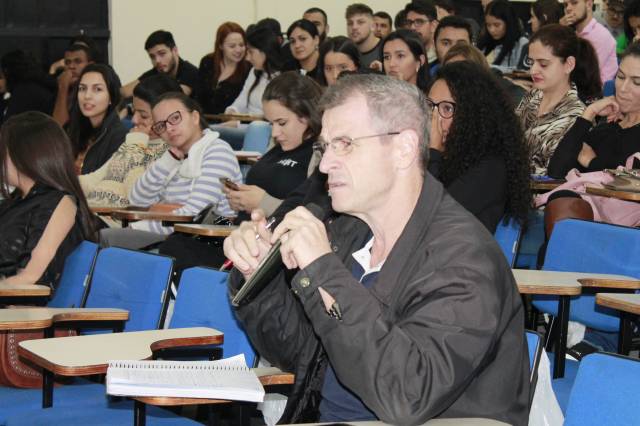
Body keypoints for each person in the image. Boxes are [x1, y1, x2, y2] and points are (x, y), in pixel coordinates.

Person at [223, 73, 529, 425]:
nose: (324, 165)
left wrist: (323, 269)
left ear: (403, 149)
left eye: (345, 144)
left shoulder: (464, 258)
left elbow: (406, 395)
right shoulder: (350, 232)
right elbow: (299, 354)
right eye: (325, 147)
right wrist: (259, 276)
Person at [99, 92, 241, 248]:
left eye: (175, 118)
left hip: (204, 239)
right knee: (93, 234)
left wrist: (140, 227)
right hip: (172, 233)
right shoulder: (174, 156)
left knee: (105, 238)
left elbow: (195, 214)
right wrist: (168, 161)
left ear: (194, 117)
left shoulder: (217, 151)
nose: (169, 129)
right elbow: (137, 201)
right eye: (161, 125)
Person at [428, 61, 531, 233]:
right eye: (431, 106)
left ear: (472, 114)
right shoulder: (446, 158)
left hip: (461, 257)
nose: (434, 119)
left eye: (447, 108)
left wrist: (433, 152)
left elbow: (434, 216)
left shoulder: (492, 166)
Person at [0, 112, 95, 287]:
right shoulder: (15, 201)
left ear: (25, 155)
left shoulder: (61, 204)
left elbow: (30, 277)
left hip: (19, 308)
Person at [223, 72, 321, 221]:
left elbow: (316, 216)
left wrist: (264, 204)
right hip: (243, 232)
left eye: (282, 123)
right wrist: (240, 200)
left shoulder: (320, 153)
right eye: (271, 123)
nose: (274, 132)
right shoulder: (277, 144)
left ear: (307, 115)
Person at [80, 74, 182, 209]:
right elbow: (96, 179)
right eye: (133, 112)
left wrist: (137, 144)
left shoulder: (171, 153)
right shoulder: (135, 140)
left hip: (117, 222)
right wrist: (60, 180)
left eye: (143, 115)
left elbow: (136, 197)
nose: (134, 120)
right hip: (93, 213)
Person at [516, 24, 602, 176]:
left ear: (569, 64)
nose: (533, 70)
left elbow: (556, 174)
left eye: (543, 64)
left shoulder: (578, 116)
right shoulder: (532, 95)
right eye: (531, 62)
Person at [547, 42, 640, 179]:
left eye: (637, 82)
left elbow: (634, 183)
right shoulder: (605, 129)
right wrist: (589, 112)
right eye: (620, 77)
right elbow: (556, 172)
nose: (623, 88)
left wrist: (592, 162)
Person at [68, 63, 128, 175]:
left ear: (111, 97)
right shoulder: (76, 129)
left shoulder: (120, 137)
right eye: (82, 89)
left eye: (97, 89)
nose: (87, 96)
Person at [120, 30, 200, 99]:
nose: (157, 60)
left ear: (175, 51)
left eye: (162, 54)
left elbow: (174, 99)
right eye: (152, 57)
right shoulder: (157, 71)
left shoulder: (190, 71)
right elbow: (124, 92)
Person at [443, 42, 527, 107]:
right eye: (449, 72)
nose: (455, 78)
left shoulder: (505, 99)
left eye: (462, 70)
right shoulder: (441, 101)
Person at [197, 22, 252, 115]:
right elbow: (197, 95)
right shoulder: (208, 62)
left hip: (230, 124)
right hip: (203, 121)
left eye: (242, 45)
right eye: (232, 46)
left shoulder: (249, 69)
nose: (238, 50)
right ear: (220, 46)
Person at [560, 0, 618, 82]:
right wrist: (560, 31)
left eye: (574, 3)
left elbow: (585, 73)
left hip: (595, 91)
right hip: (578, 88)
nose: (568, 8)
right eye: (566, 5)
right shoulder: (575, 34)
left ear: (589, 4)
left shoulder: (600, 35)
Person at [0, 50, 54, 124]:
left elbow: (8, 129)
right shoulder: (33, 87)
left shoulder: (23, 93)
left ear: (7, 73)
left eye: (1, 77)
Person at [478, 0, 530, 72]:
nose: (492, 30)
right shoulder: (484, 42)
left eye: (497, 25)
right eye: (488, 25)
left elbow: (521, 72)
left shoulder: (522, 43)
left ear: (509, 23)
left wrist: (488, 68)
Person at [52, 43, 95, 126]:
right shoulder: (60, 89)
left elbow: (61, 127)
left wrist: (63, 86)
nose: (71, 66)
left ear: (90, 65)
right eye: (67, 62)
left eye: (78, 61)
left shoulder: (95, 91)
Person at [346, 3, 382, 69]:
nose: (354, 27)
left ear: (373, 26)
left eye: (360, 22)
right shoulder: (345, 52)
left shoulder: (386, 50)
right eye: (350, 23)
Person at [404, 1, 440, 66]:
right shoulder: (401, 58)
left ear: (433, 26)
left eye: (419, 22)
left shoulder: (440, 59)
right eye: (409, 22)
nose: (412, 27)